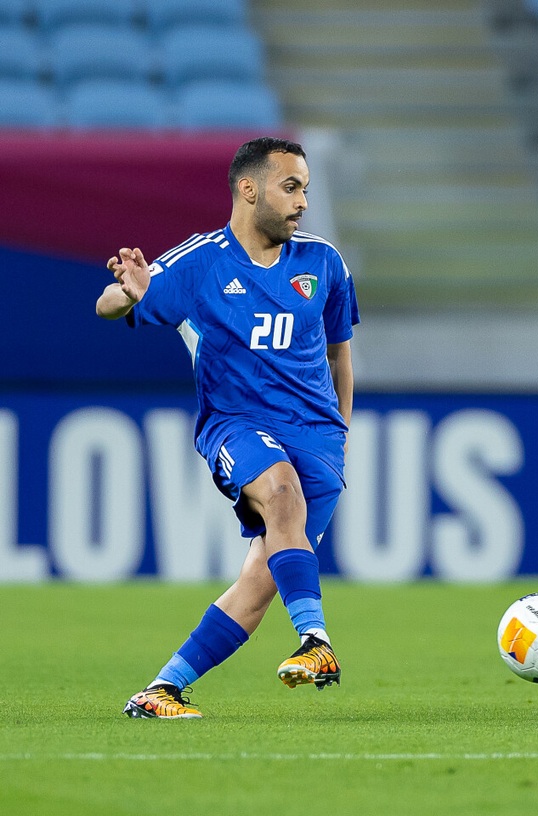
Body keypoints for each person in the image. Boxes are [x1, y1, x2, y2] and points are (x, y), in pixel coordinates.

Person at [96, 136, 359, 719]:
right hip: (237, 425)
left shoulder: (324, 264)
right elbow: (111, 302)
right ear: (249, 189)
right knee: (281, 488)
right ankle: (318, 643)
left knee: (261, 581)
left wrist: (340, 431)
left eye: (306, 190)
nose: (302, 203)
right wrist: (129, 292)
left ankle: (160, 691)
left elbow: (341, 354)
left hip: (317, 436)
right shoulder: (199, 261)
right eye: (290, 187)